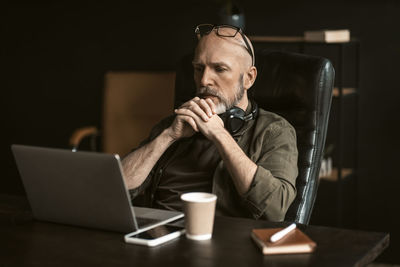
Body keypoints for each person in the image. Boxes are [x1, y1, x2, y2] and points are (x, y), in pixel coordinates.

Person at [122, 24, 298, 221]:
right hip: (157, 236)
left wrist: (220, 135)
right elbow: (115, 190)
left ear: (249, 78)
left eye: (220, 69)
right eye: (198, 69)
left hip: (222, 243)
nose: (204, 80)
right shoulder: (174, 125)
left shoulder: (274, 131)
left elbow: (274, 209)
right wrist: (168, 136)